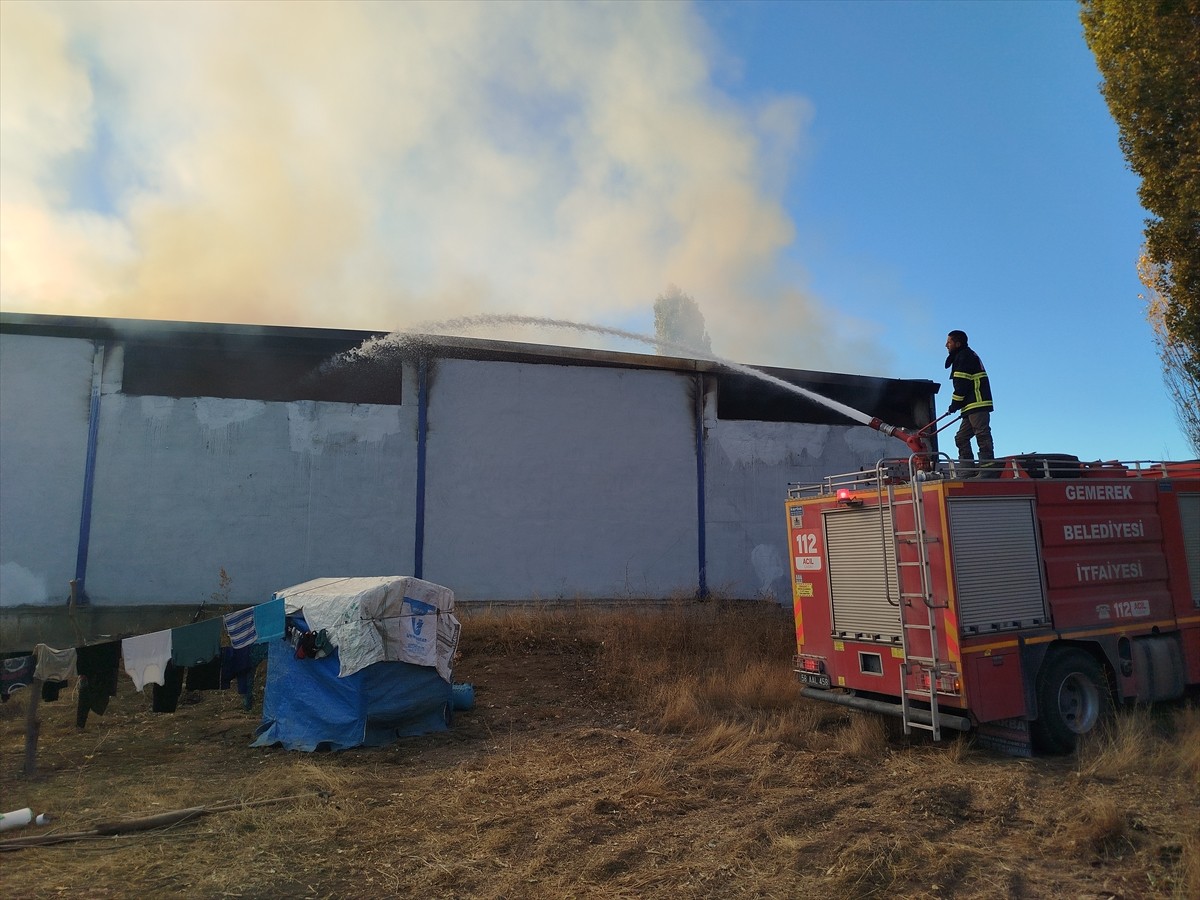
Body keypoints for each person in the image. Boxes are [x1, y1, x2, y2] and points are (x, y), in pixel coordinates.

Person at [944, 330, 995, 474]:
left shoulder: (964, 357)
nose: (946, 345)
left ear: (957, 344)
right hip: (969, 406)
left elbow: (961, 385)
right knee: (961, 438)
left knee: (982, 434)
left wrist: (954, 405)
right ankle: (968, 471)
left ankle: (988, 470)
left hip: (977, 404)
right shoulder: (964, 355)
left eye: (949, 342)